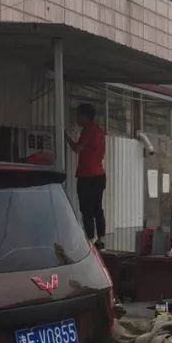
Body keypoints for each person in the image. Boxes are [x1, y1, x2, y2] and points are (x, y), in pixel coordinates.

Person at [67, 103, 106, 249]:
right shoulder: (99, 131)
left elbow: (77, 148)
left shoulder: (88, 130)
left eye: (77, 115)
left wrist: (65, 137)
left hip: (87, 176)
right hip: (99, 174)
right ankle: (100, 239)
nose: (76, 118)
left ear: (84, 116)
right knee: (97, 207)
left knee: (86, 209)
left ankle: (90, 238)